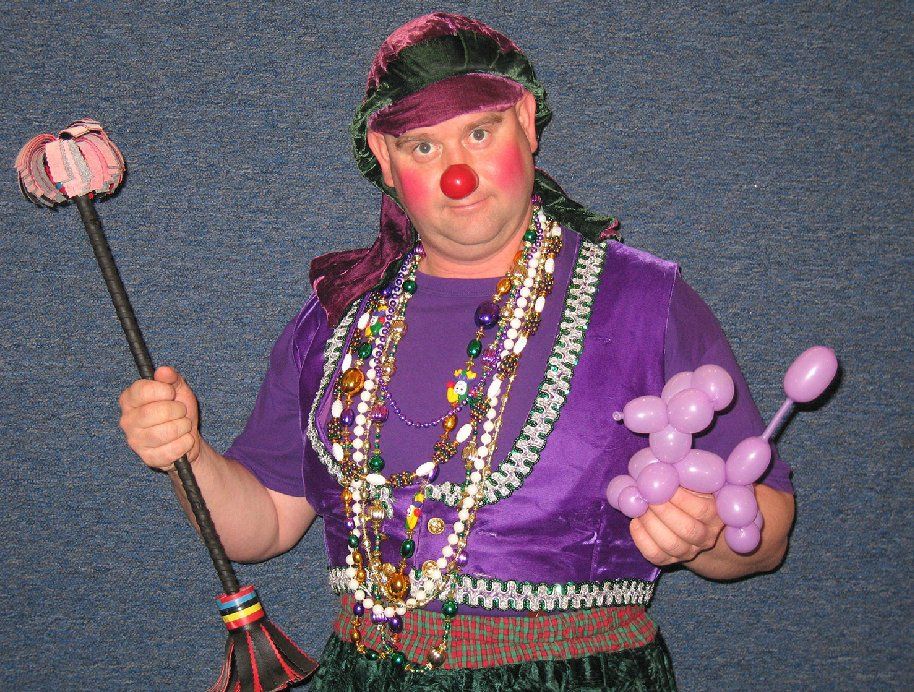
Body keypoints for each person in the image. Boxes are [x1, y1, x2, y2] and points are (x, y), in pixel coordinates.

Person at [118, 12, 794, 690]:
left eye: (479, 132)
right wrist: (187, 453)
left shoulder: (645, 303)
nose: (457, 174)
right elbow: (260, 524)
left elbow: (768, 530)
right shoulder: (336, 319)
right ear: (384, 160)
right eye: (422, 148)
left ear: (526, 122)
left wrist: (707, 537)